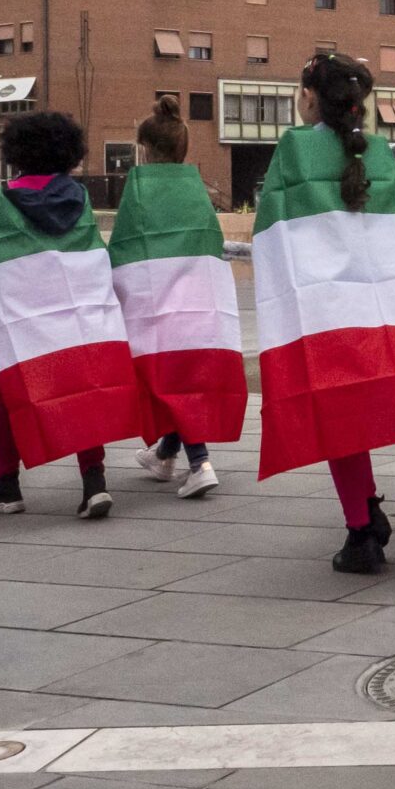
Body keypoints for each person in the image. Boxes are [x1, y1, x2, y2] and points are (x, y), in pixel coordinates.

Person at [252, 52, 395, 573]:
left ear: (308, 97)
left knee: (338, 415)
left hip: (324, 313)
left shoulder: (294, 149)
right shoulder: (378, 153)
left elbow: (275, 234)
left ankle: (362, 529)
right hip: (382, 312)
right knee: (357, 413)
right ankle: (368, 512)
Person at [0, 112, 141, 518]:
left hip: (27, 322)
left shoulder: (6, 199)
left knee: (12, 396)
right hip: (77, 322)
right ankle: (94, 483)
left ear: (16, 153)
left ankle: (7, 486)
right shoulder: (79, 197)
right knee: (83, 391)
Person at [115, 98, 239, 501]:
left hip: (155, 304)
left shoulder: (139, 191)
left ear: (147, 150)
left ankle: (200, 462)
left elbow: (124, 248)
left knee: (165, 376)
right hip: (199, 303)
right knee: (183, 376)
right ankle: (165, 455)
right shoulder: (196, 192)